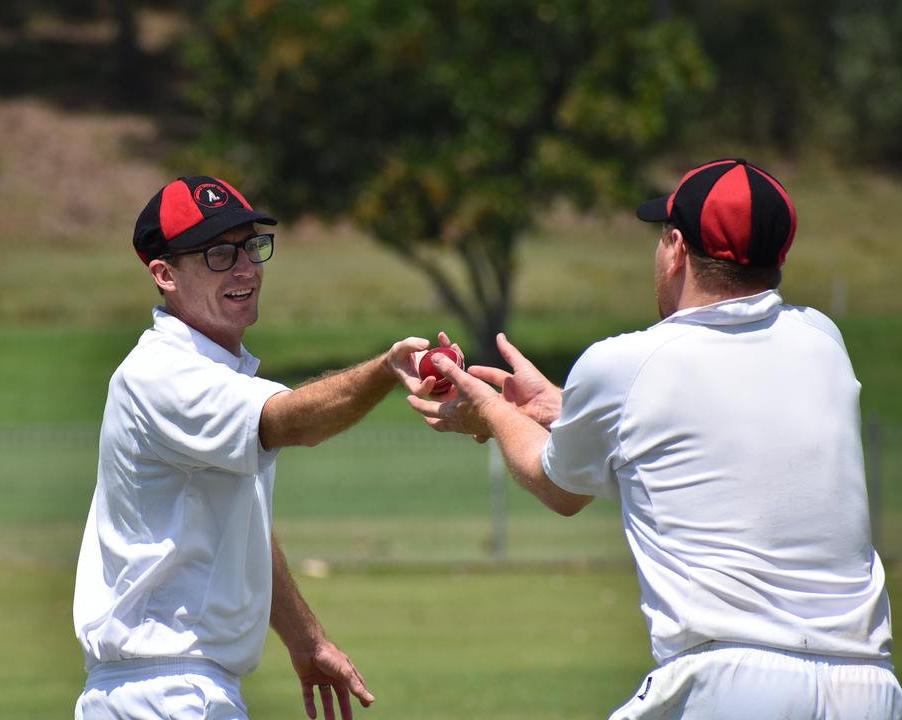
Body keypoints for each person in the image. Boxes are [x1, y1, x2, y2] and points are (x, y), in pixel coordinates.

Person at [408, 159, 901, 719]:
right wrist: (562, 409)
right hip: (870, 686)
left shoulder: (624, 364)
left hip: (728, 681)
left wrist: (491, 411)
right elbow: (705, 431)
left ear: (676, 248)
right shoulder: (823, 340)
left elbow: (559, 489)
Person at [74, 175, 434, 719]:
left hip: (162, 689)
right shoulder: (163, 374)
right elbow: (293, 422)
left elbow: (243, 533)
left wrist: (306, 640)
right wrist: (385, 371)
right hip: (169, 692)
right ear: (164, 273)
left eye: (251, 246)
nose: (245, 268)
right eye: (218, 253)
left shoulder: (210, 373)